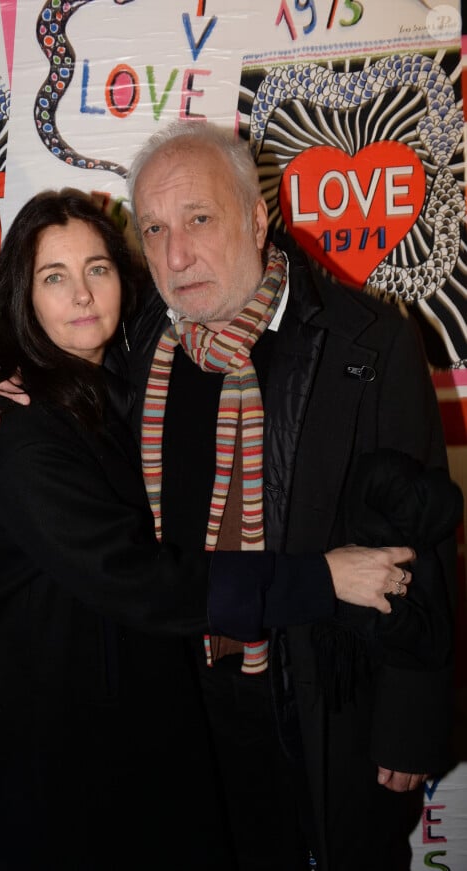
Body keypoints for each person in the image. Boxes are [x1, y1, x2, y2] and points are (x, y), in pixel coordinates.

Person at [0, 188, 417, 871]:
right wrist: (323, 576)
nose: (82, 294)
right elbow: (140, 579)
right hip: (70, 768)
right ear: (24, 294)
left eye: (97, 269)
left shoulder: (109, 376)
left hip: (139, 735)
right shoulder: (22, 438)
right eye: (54, 277)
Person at [121, 121, 458, 871]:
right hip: (184, 703)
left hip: (322, 699)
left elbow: (421, 535)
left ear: (255, 215)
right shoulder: (138, 342)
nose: (176, 256)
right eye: (154, 229)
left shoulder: (366, 342)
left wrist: (411, 717)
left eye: (199, 219)